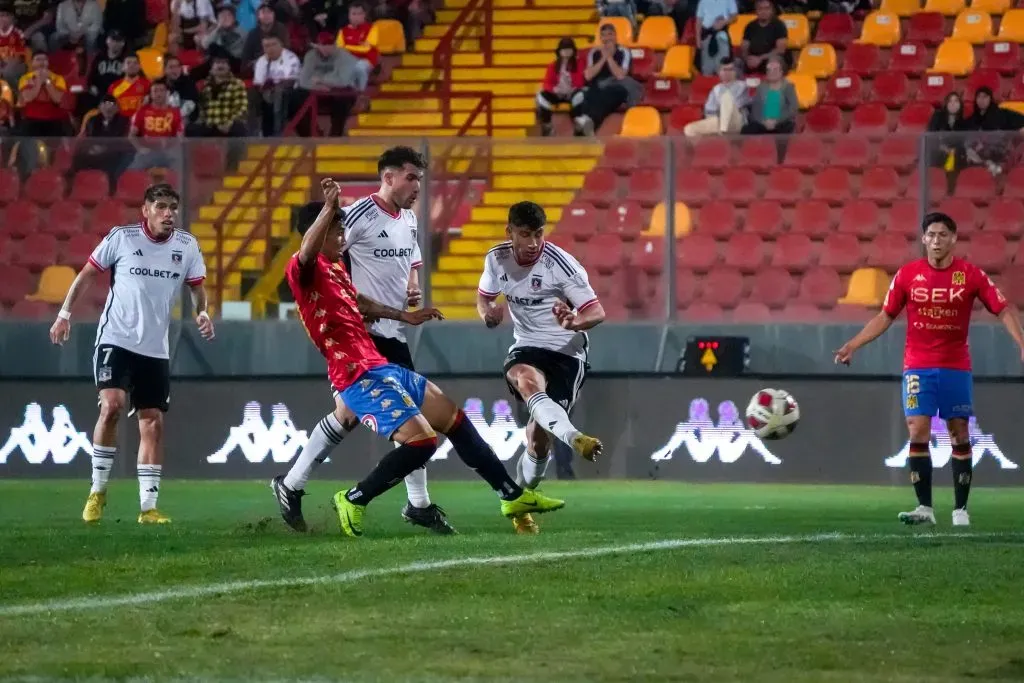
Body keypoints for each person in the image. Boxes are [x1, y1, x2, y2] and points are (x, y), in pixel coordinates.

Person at [275, 178, 566, 538]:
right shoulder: (303, 268)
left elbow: (360, 304)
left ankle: (511, 495)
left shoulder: (335, 269)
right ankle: (354, 498)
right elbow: (307, 250)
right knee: (422, 441)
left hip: (380, 365)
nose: (343, 238)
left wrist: (404, 316)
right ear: (318, 233)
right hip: (354, 373)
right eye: (337, 231)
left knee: (454, 418)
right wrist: (330, 208)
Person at [834, 212, 1024, 528]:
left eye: (942, 235)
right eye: (931, 235)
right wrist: (853, 344)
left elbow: (1003, 308)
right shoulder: (908, 275)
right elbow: (885, 316)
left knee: (959, 432)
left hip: (955, 365)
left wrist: (1021, 341)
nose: (936, 240)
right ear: (924, 239)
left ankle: (960, 509)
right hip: (918, 365)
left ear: (953, 239)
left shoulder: (971, 275)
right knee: (917, 429)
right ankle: (925, 507)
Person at [48, 183, 216, 525]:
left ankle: (148, 508)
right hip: (116, 338)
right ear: (146, 210)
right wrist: (64, 314)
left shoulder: (186, 246)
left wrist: (202, 312)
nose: (168, 214)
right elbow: (87, 275)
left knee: (152, 422)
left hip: (155, 348)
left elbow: (197, 289)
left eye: (173, 207)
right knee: (111, 405)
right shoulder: (122, 238)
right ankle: (97, 492)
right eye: (161, 207)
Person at [476, 201, 605, 534]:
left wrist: (577, 321)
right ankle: (576, 438)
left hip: (567, 353)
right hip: (527, 346)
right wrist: (487, 313)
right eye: (524, 234)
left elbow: (596, 312)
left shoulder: (561, 265)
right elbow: (484, 297)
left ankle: (522, 503)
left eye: (538, 234)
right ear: (510, 233)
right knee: (525, 378)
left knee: (537, 440)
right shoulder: (496, 258)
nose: (533, 242)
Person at [535, 37, 585, 137]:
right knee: (541, 95)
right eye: (564, 49)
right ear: (559, 52)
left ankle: (578, 126)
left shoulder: (579, 63)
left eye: (569, 49)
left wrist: (571, 89)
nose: (566, 51)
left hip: (572, 93)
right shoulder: (553, 66)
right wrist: (555, 89)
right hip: (557, 94)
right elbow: (546, 83)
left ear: (573, 51)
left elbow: (581, 82)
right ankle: (547, 125)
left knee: (580, 95)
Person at [684, 59, 747, 137]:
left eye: (730, 70)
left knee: (726, 99)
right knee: (689, 129)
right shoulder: (716, 89)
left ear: (736, 72)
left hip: (737, 121)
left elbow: (741, 104)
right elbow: (709, 111)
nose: (727, 73)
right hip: (718, 121)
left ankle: (722, 131)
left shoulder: (743, 86)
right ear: (719, 72)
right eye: (724, 70)